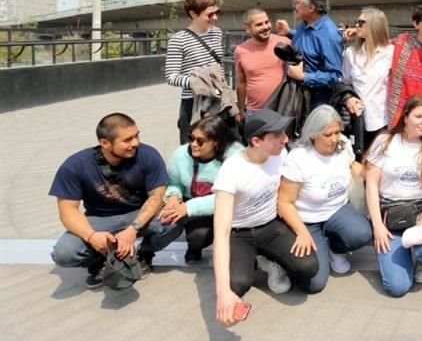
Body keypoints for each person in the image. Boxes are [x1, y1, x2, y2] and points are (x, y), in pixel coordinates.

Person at [212, 110, 319, 327]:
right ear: (256, 141)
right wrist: (222, 293)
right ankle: (254, 262)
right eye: (278, 135)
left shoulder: (280, 154)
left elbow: (289, 196)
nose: (286, 139)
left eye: (284, 133)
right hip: (239, 234)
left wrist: (302, 230)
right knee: (237, 284)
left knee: (308, 268)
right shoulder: (231, 170)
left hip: (271, 225)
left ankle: (270, 261)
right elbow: (221, 234)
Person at [50, 113, 181, 289]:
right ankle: (100, 260)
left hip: (139, 213)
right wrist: (92, 236)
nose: (135, 143)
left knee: (174, 220)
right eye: (127, 140)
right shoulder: (75, 166)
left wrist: (133, 229)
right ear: (105, 143)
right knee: (64, 253)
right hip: (100, 219)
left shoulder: (148, 155)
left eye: (137, 135)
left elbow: (156, 197)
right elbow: (68, 211)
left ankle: (143, 255)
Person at [277, 106, 372, 293]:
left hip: (337, 209)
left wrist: (378, 177)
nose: (335, 139)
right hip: (307, 220)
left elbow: (353, 166)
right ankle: (283, 263)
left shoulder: (342, 145)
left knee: (362, 233)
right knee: (315, 283)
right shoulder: (299, 159)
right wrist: (301, 232)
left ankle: (335, 249)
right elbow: (284, 202)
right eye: (328, 135)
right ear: (313, 135)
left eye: (337, 132)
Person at [365, 96, 422, 297]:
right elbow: (372, 185)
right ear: (405, 117)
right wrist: (377, 226)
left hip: (421, 213)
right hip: (391, 214)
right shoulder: (385, 142)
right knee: (397, 287)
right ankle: (399, 253)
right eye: (418, 116)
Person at [160, 114, 244, 264]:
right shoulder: (180, 155)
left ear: (216, 143)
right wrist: (173, 196)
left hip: (232, 208)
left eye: (200, 141)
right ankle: (194, 248)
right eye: (191, 138)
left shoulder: (235, 157)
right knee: (197, 237)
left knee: (231, 240)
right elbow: (174, 182)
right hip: (195, 206)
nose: (193, 144)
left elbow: (233, 195)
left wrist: (188, 207)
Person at [164, 0, 224, 144]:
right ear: (193, 14)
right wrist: (199, 82)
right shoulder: (179, 40)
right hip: (193, 102)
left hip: (218, 99)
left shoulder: (216, 33)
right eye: (210, 15)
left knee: (218, 145)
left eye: (217, 13)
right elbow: (171, 76)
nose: (215, 18)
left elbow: (219, 66)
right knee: (192, 147)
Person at [276, 0, 343, 110]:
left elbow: (334, 76)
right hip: (297, 96)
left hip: (316, 102)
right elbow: (310, 41)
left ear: (311, 8)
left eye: (297, 3)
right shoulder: (304, 25)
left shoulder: (330, 35)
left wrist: (304, 77)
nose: (294, 6)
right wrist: (289, 32)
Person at [342, 7, 395, 142]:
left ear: (374, 25)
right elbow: (345, 82)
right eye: (356, 22)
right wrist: (348, 98)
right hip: (357, 118)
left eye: (361, 23)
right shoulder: (350, 53)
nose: (357, 25)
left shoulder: (391, 52)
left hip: (382, 121)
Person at [234, 7, 290, 123]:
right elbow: (241, 82)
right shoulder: (240, 50)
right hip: (255, 112)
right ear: (247, 29)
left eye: (267, 22)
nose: (265, 27)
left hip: (282, 110)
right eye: (259, 24)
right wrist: (240, 110)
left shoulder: (284, 43)